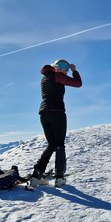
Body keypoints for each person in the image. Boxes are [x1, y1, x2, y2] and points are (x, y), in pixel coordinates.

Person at [30, 59, 82, 187]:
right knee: (59, 145)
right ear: (56, 67)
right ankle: (59, 178)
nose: (66, 70)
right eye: (64, 67)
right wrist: (75, 71)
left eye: (67, 68)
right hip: (57, 112)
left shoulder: (44, 78)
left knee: (51, 145)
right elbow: (78, 83)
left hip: (44, 113)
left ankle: (37, 176)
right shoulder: (57, 75)